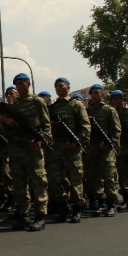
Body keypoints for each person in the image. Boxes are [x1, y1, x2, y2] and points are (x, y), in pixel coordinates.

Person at [1, 73, 52, 232]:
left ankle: (40, 216)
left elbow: (46, 125)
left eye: (22, 82)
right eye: (16, 83)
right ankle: (23, 215)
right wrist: (5, 121)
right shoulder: (14, 106)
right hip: (17, 150)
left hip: (32, 148)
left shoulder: (37, 101)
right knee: (19, 184)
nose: (19, 86)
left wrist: (42, 140)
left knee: (38, 182)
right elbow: (5, 129)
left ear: (29, 83)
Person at [47, 77, 91, 223]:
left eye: (61, 85)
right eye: (56, 86)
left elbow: (85, 127)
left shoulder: (75, 105)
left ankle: (77, 208)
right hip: (56, 148)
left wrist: (77, 142)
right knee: (55, 180)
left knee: (75, 179)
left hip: (72, 148)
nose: (59, 88)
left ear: (68, 88)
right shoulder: (52, 108)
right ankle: (63, 206)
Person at [84, 84, 121, 217]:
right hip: (92, 148)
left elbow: (116, 130)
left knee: (108, 176)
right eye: (92, 93)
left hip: (106, 148)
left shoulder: (109, 110)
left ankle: (111, 203)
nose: (94, 95)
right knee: (94, 177)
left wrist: (109, 144)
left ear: (103, 94)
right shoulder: (87, 112)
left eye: (97, 93)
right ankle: (101, 203)